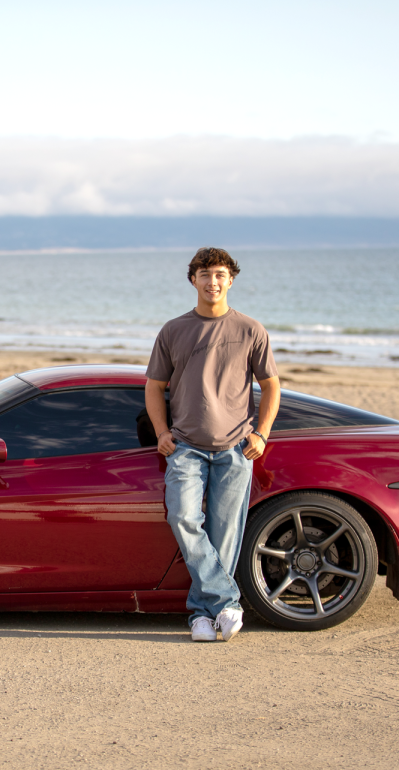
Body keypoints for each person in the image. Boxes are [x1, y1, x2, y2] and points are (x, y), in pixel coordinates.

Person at [145, 247, 280, 642]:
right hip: (185, 447)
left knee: (225, 534)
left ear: (231, 280)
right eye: (205, 275)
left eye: (220, 274)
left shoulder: (251, 330)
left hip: (236, 449)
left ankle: (201, 617)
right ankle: (228, 602)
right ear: (193, 281)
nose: (212, 282)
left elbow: (271, 385)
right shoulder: (173, 330)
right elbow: (154, 387)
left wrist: (262, 434)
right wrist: (161, 432)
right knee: (183, 518)